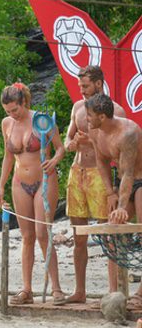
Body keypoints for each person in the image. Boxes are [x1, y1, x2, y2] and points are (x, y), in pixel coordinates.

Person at [0, 82, 65, 305]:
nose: (12, 115)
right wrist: (0, 186)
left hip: (44, 180)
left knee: (43, 234)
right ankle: (27, 289)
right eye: (8, 111)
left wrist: (54, 160)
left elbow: (60, 148)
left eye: (15, 110)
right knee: (27, 237)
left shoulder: (42, 120)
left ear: (24, 102)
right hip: (19, 182)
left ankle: (56, 289)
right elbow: (8, 157)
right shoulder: (7, 123)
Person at [63, 66, 125, 303]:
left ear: (99, 84)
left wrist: (116, 188)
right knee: (79, 236)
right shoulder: (78, 108)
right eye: (80, 86)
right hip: (77, 172)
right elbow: (67, 139)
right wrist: (73, 143)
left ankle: (112, 293)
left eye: (86, 86)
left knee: (108, 235)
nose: (82, 91)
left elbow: (120, 148)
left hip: (101, 176)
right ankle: (80, 291)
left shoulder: (115, 111)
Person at [84, 93, 142, 305]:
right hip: (123, 182)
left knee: (141, 230)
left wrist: (121, 206)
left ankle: (140, 294)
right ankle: (114, 291)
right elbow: (101, 161)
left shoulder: (128, 132)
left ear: (102, 116)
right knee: (112, 233)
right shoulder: (95, 131)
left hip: (139, 179)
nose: (86, 118)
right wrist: (110, 192)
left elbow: (128, 172)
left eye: (89, 115)